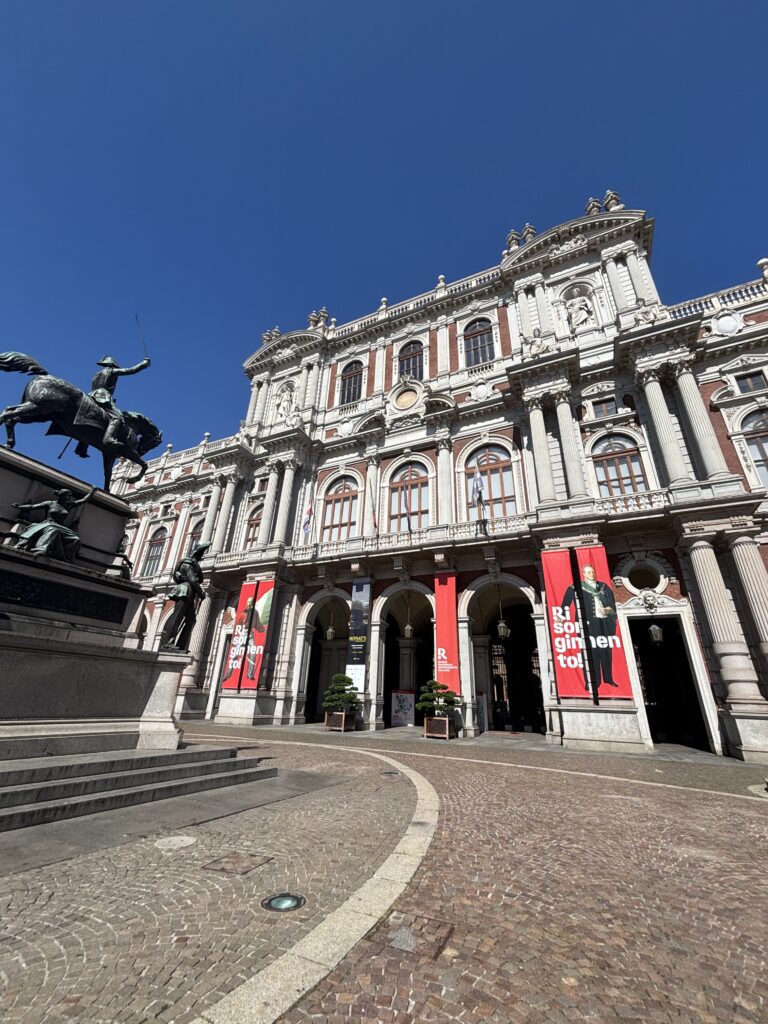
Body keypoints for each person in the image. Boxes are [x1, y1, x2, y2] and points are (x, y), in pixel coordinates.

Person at [74, 355, 151, 457]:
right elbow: (130, 370)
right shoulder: (112, 371)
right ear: (112, 364)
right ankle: (109, 438)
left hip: (91, 395)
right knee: (118, 417)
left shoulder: (97, 374)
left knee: (93, 418)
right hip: (103, 396)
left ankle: (81, 447)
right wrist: (144, 364)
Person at [560, 564, 619, 691]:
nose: (592, 574)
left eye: (593, 572)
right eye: (589, 572)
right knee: (590, 652)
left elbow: (612, 603)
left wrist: (609, 609)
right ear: (583, 574)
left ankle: (608, 678)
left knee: (606, 650)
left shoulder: (603, 586)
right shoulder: (575, 587)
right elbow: (565, 603)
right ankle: (593, 681)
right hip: (587, 624)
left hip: (604, 622)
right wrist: (562, 616)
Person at [12, 487, 96, 562]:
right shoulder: (50, 503)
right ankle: (41, 549)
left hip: (60, 526)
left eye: (70, 496)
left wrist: (92, 492)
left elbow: (83, 500)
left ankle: (66, 557)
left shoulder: (69, 505)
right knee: (54, 531)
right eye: (68, 495)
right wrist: (19, 507)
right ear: (62, 495)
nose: (70, 497)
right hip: (48, 523)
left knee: (76, 538)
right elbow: (33, 507)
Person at [160, 541, 210, 650]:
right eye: (201, 552)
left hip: (190, 592)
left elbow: (197, 579)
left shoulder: (194, 564)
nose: (202, 554)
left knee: (191, 619)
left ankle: (180, 645)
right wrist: (201, 592)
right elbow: (192, 579)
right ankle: (169, 642)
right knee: (177, 616)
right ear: (197, 553)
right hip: (184, 590)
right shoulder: (188, 563)